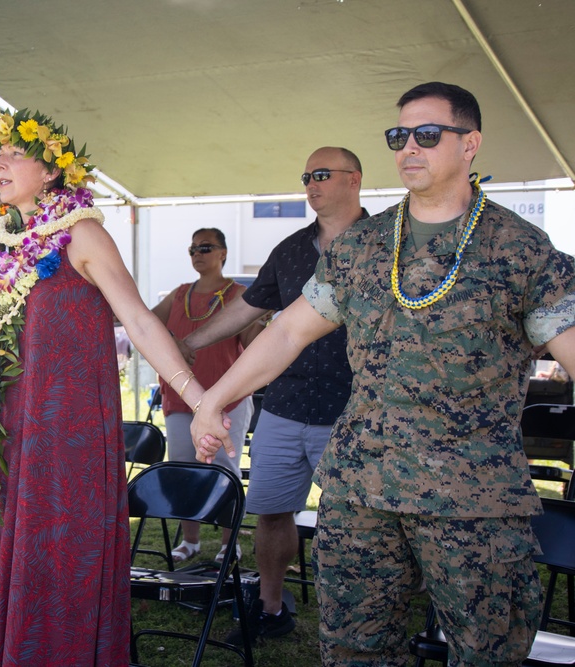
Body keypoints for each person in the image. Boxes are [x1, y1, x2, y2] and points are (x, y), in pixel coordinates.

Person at [192, 82, 575, 665]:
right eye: (399, 136)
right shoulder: (362, 247)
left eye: (427, 134)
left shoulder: (521, 250)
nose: (409, 148)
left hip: (471, 504)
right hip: (360, 495)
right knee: (355, 652)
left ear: (470, 144)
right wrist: (214, 399)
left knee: (488, 655)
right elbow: (288, 331)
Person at [0, 109, 202, 666]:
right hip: (15, 433)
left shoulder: (83, 234)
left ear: (51, 173)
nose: (1, 161)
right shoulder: (4, 247)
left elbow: (138, 320)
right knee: (11, 555)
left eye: (16, 153)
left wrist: (199, 396)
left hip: (71, 435)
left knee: (62, 558)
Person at [179, 146, 367, 639]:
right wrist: (189, 343)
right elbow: (248, 311)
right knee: (271, 508)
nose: (311, 183)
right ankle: (270, 606)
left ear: (355, 179)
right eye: (307, 175)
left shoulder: (386, 242)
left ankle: (357, 620)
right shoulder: (289, 250)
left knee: (360, 521)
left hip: (356, 410)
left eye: (322, 174)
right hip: (283, 406)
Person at [151, 227, 257, 564]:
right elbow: (147, 325)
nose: (198, 253)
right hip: (180, 398)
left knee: (224, 468)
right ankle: (191, 540)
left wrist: (262, 322)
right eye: (193, 248)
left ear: (223, 253)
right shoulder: (180, 293)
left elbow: (256, 345)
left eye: (206, 247)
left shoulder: (241, 293)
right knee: (184, 467)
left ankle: (229, 542)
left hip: (228, 398)